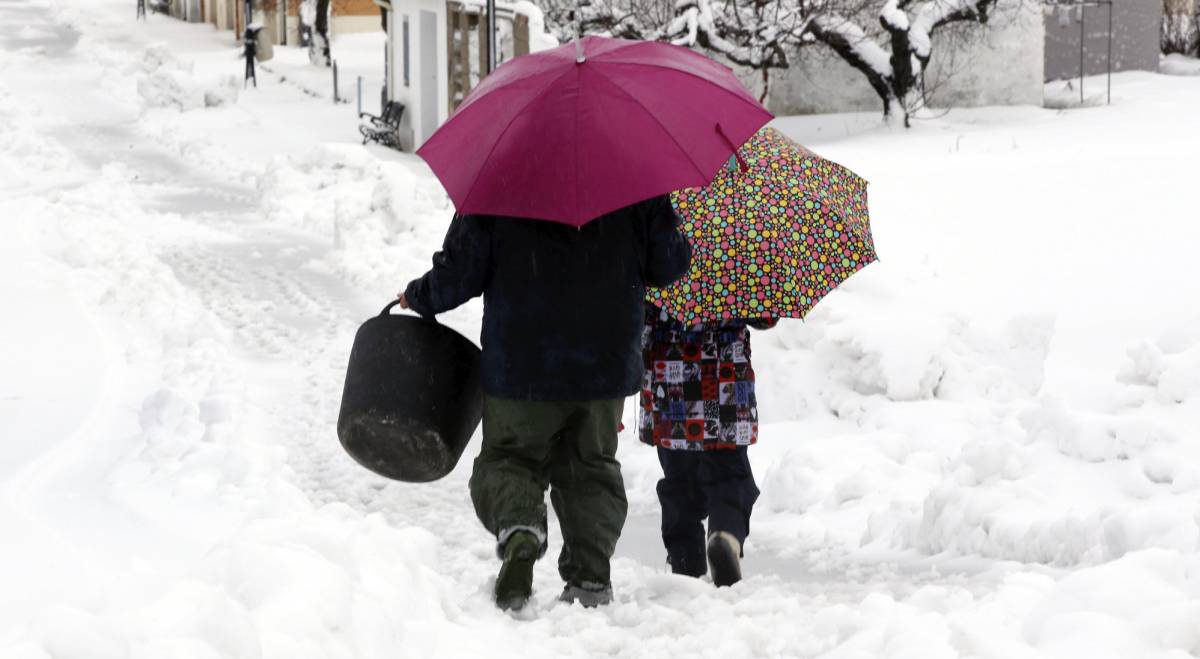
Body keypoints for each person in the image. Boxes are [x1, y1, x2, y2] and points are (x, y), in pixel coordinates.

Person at [398, 197, 691, 611]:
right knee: (590, 467)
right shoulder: (634, 178)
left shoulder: (500, 177)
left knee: (508, 459)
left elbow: (460, 272)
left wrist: (419, 296)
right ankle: (589, 577)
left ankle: (520, 528)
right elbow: (669, 265)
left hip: (522, 361)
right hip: (603, 362)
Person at [638, 302, 776, 587]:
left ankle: (685, 561)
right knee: (731, 474)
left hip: (671, 377)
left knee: (679, 481)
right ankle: (725, 535)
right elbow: (765, 318)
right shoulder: (738, 258)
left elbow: (638, 320)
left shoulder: (661, 257)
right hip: (725, 374)